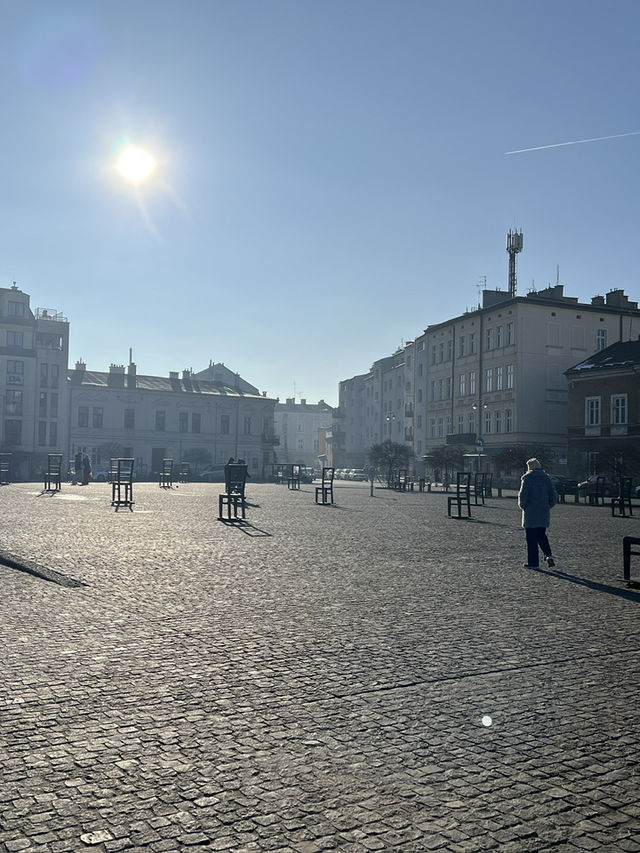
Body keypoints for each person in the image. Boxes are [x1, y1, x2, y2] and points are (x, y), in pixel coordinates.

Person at [518, 458, 557, 569]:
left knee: (531, 539)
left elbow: (523, 495)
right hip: (543, 512)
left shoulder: (527, 478)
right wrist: (548, 506)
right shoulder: (546, 478)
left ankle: (533, 563)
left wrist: (523, 506)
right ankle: (549, 556)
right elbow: (553, 495)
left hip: (531, 512)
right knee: (542, 536)